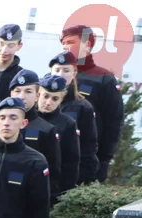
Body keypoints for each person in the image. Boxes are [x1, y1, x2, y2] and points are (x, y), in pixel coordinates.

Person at [59, 25, 124, 183]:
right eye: (63, 43)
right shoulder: (54, 75)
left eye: (70, 42)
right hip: (56, 157)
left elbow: (113, 122)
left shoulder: (103, 78)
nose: (65, 46)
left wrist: (104, 160)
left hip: (87, 160)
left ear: (87, 44)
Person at [9, 70, 62, 203]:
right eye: (17, 91)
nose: (21, 96)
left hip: (29, 197)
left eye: (28, 91)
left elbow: (53, 171)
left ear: (37, 96)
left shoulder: (46, 130)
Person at [50, 51, 100, 185]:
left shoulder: (83, 106)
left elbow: (89, 145)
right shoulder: (40, 103)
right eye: (57, 70)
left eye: (66, 70)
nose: (61, 74)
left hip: (70, 174)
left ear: (74, 73)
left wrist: (81, 177)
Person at [37, 75, 81, 196]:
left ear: (61, 100)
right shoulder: (25, 118)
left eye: (55, 99)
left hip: (52, 187)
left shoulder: (68, 124)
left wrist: (64, 193)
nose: (48, 102)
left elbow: (71, 162)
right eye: (45, 96)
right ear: (38, 94)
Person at [0, 24, 24, 100]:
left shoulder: (20, 75)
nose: (4, 50)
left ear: (19, 46)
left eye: (11, 45)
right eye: (1, 43)